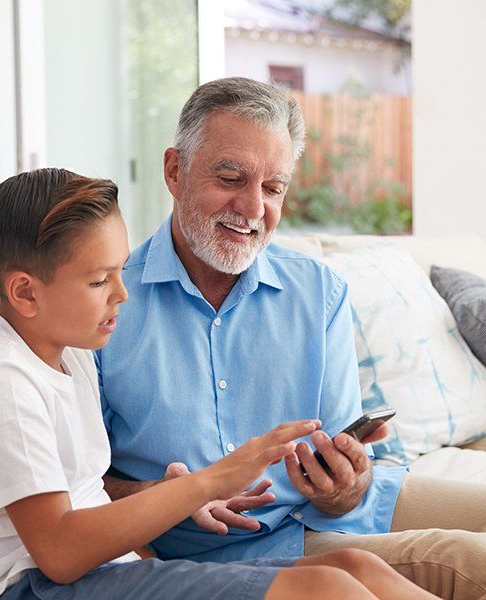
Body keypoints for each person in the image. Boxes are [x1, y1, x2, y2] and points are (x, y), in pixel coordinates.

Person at [0, 168, 437, 600]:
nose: (122, 293)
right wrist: (211, 480)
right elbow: (60, 552)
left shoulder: (65, 356)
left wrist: (163, 544)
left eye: (120, 271)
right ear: (25, 294)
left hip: (90, 576)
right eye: (99, 281)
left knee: (355, 568)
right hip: (22, 589)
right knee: (326, 590)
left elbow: (88, 499)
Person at [96, 77, 486, 600]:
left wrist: (346, 484)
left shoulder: (317, 290)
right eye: (231, 177)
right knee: (469, 561)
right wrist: (158, 496)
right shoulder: (106, 304)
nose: (254, 208)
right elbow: (75, 487)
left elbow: (349, 471)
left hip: (342, 513)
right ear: (174, 170)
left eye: (273, 188)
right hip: (230, 550)